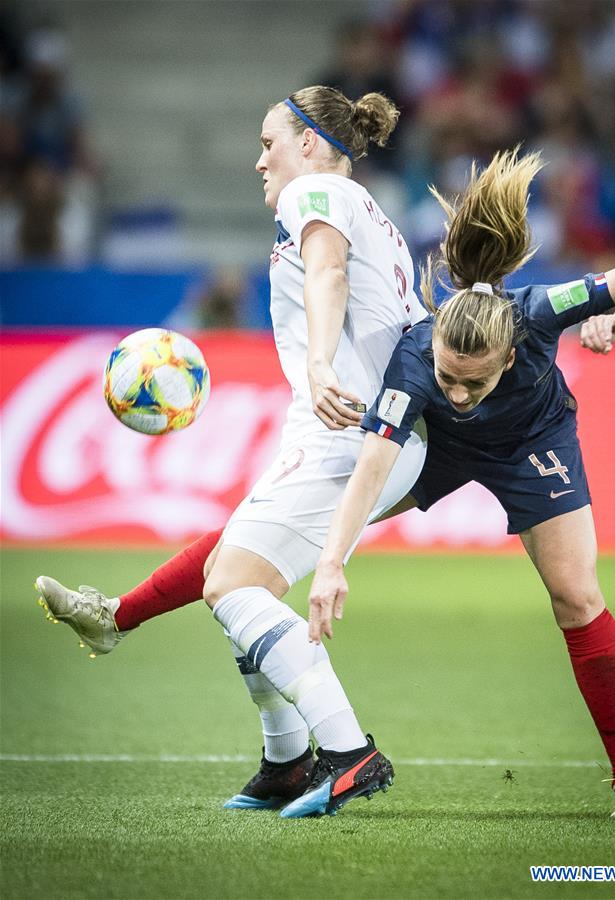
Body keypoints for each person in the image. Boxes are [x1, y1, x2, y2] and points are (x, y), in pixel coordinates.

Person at [36, 86, 428, 819]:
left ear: (309, 143)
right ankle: (285, 761)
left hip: (348, 426)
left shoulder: (312, 190)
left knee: (233, 588)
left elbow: (329, 273)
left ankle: (349, 751)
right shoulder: (367, 207)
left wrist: (320, 363)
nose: (259, 161)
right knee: (235, 570)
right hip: (366, 427)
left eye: (268, 143)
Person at [306, 148, 615, 819]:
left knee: (577, 596)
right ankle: (125, 612)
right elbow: (370, 471)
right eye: (447, 377)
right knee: (301, 519)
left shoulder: (539, 311)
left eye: (474, 381)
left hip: (534, 444)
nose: (457, 391)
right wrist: (331, 563)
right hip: (441, 450)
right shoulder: (414, 361)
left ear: (509, 356)